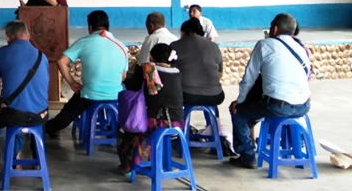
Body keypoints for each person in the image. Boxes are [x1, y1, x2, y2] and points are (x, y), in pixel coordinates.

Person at [229, 13, 311, 169]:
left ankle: (247, 156)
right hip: (303, 106)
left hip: (277, 107)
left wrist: (239, 101)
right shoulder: (301, 48)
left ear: (275, 29)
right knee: (262, 106)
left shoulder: (264, 45)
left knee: (238, 113)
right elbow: (307, 75)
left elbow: (249, 78)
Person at [0, 21, 49, 178]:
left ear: (8, 37)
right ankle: (38, 161)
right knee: (34, 119)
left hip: (14, 115)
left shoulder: (2, 53)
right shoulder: (41, 55)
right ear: (28, 36)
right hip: (41, 114)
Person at [44, 10, 128, 138]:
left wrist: (72, 82)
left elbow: (61, 61)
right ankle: (112, 129)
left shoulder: (84, 42)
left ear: (90, 27)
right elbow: (123, 76)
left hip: (90, 94)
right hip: (116, 95)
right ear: (107, 26)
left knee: (72, 106)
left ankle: (51, 128)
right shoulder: (121, 45)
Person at [117, 43, 184, 175]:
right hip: (177, 122)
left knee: (125, 130)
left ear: (152, 57)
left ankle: (129, 166)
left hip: (155, 122)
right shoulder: (177, 72)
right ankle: (157, 161)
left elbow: (133, 86)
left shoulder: (148, 70)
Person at [171, 18, 225, 106]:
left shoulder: (175, 45)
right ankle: (214, 115)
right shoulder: (214, 46)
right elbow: (220, 74)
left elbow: (170, 71)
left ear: (183, 32)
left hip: (186, 95)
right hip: (215, 96)